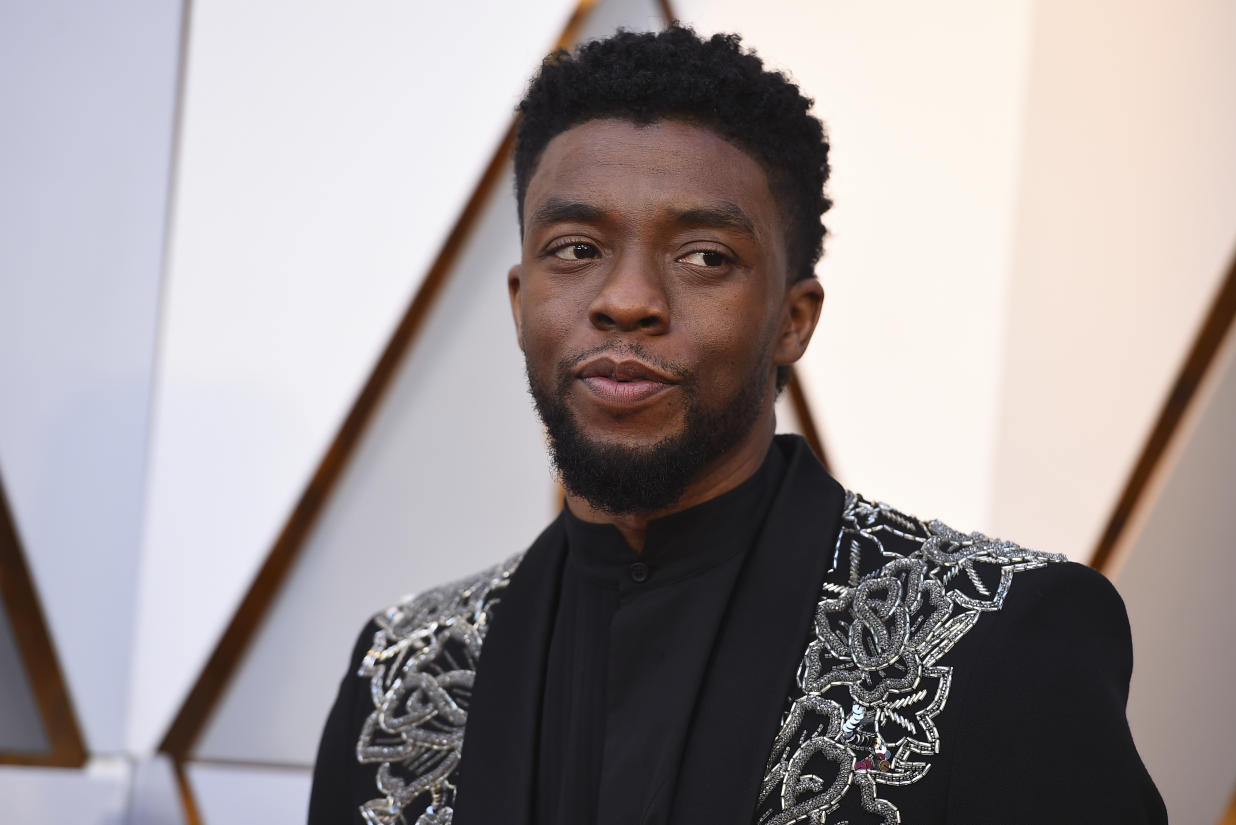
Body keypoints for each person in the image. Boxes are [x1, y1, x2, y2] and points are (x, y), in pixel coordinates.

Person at [308, 26, 1165, 825]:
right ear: (520, 298)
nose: (627, 300)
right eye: (574, 247)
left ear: (794, 319)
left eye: (705, 257)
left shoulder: (1001, 635)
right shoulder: (400, 673)